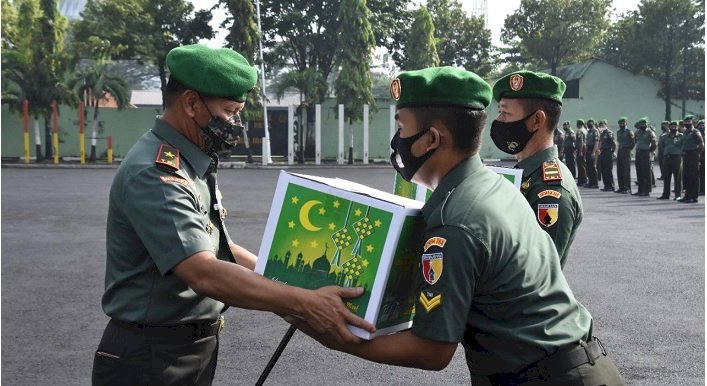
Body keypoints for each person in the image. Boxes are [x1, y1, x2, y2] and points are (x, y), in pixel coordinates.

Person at [287, 66, 625, 385]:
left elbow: (432, 350)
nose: (397, 140)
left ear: (432, 138)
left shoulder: (456, 220)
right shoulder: (492, 186)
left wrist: (332, 333)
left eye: (402, 128)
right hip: (572, 367)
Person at [91, 44, 374, 386]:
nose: (236, 123)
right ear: (192, 103)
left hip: (184, 350)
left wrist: (291, 284)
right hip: (150, 359)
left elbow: (220, 248)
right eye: (229, 110)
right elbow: (203, 272)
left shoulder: (190, 161)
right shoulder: (156, 173)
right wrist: (304, 302)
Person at [490, 70, 582, 269]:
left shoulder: (550, 191)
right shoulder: (526, 173)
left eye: (506, 113)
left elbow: (535, 272)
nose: (499, 119)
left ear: (537, 120)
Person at [678, 114, 704, 203]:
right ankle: (687, 195)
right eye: (686, 122)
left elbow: (701, 144)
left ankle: (693, 196)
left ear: (692, 122)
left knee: (693, 176)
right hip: (686, 155)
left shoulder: (695, 131)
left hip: (693, 154)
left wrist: (696, 153)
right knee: (686, 175)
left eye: (689, 121)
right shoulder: (685, 132)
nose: (687, 123)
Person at [657, 121, 683, 200]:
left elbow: (684, 145)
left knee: (677, 177)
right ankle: (665, 194)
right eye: (672, 127)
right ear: (669, 127)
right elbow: (661, 145)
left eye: (675, 127)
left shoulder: (681, 136)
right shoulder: (664, 136)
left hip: (677, 158)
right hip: (667, 158)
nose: (673, 128)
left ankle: (678, 195)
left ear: (678, 127)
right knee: (666, 177)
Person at [633, 117, 657, 197]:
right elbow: (635, 141)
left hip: (646, 153)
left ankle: (646, 190)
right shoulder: (637, 132)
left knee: (646, 172)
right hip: (639, 152)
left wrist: (649, 150)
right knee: (639, 171)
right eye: (641, 124)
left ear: (647, 124)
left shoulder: (650, 132)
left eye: (644, 124)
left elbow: (654, 144)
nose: (642, 125)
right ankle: (640, 189)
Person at [614, 116, 635, 194]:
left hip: (626, 150)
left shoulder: (629, 131)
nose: (622, 124)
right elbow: (619, 141)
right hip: (620, 150)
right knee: (619, 169)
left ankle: (627, 188)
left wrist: (628, 149)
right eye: (620, 123)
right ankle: (621, 187)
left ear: (626, 123)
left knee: (626, 170)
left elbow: (633, 143)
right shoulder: (618, 132)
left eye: (623, 123)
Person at [598, 119, 616, 191]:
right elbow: (601, 143)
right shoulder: (601, 134)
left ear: (606, 125)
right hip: (603, 152)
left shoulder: (609, 133)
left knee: (608, 170)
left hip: (608, 151)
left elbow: (613, 143)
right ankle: (606, 185)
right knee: (603, 170)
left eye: (603, 125)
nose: (601, 126)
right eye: (600, 125)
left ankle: (611, 186)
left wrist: (612, 152)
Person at [584, 118, 600, 188]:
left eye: (590, 123)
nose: (589, 124)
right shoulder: (589, 131)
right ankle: (590, 182)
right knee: (589, 166)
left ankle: (595, 183)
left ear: (593, 123)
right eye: (588, 123)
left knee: (593, 167)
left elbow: (596, 142)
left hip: (593, 149)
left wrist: (593, 152)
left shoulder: (595, 131)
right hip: (588, 149)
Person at [575, 119, 588, 186]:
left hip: (581, 149)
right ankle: (583, 180)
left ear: (578, 124)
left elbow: (581, 142)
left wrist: (580, 151)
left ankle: (582, 181)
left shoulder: (580, 131)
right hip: (585, 148)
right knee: (583, 164)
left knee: (580, 165)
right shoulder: (585, 130)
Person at [697, 119, 705, 196]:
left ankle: (703, 190)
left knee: (703, 173)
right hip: (700, 155)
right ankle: (701, 189)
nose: (702, 127)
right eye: (700, 126)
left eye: (703, 125)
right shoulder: (697, 134)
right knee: (700, 174)